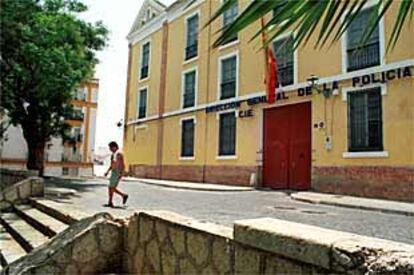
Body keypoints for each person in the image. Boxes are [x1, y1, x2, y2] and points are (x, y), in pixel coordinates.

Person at [104, 141, 129, 207]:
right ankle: (110, 202)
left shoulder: (119, 154)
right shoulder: (113, 155)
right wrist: (107, 171)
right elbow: (112, 164)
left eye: (111, 147)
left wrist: (121, 173)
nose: (110, 149)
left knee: (112, 187)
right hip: (114, 172)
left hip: (117, 172)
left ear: (114, 147)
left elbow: (122, 164)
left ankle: (124, 195)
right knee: (110, 187)